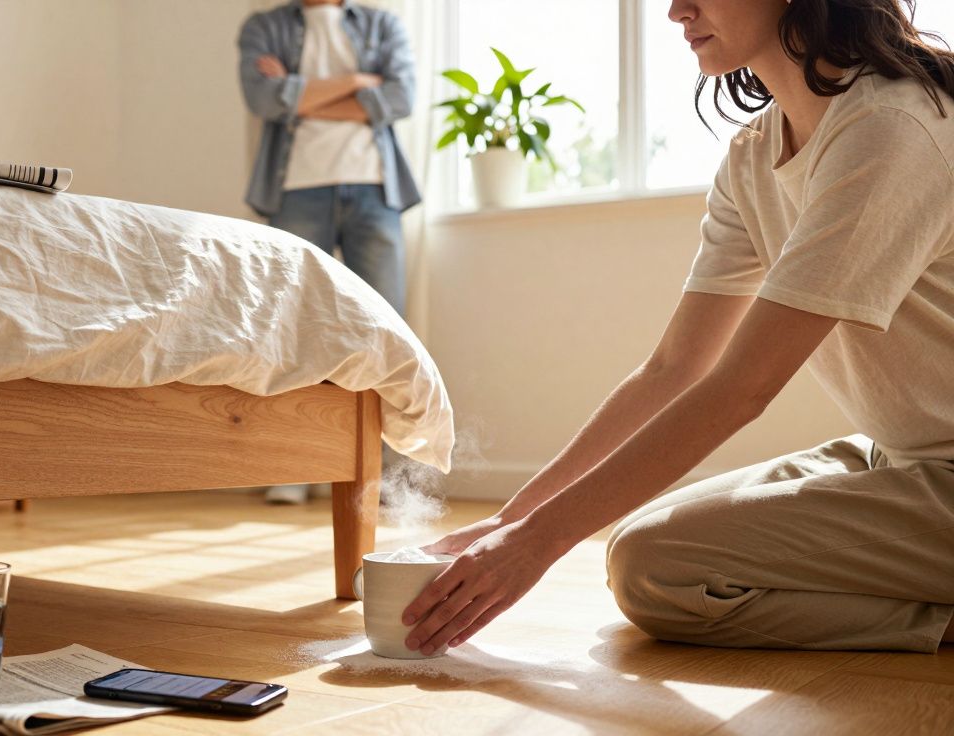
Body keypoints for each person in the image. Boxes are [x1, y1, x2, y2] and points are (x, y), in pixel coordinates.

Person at [402, 0, 954, 656]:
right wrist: (511, 519)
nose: (674, 11)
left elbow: (742, 385)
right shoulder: (755, 156)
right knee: (650, 565)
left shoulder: (890, 127)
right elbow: (674, 368)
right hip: (897, 457)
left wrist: (536, 544)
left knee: (652, 561)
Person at [237, 0, 420, 505]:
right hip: (296, 190)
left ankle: (379, 475)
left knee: (384, 333)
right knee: (294, 327)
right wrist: (361, 83)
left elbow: (402, 97)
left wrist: (299, 93)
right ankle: (294, 467)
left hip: (374, 191)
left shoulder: (382, 24)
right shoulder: (263, 27)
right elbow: (263, 99)